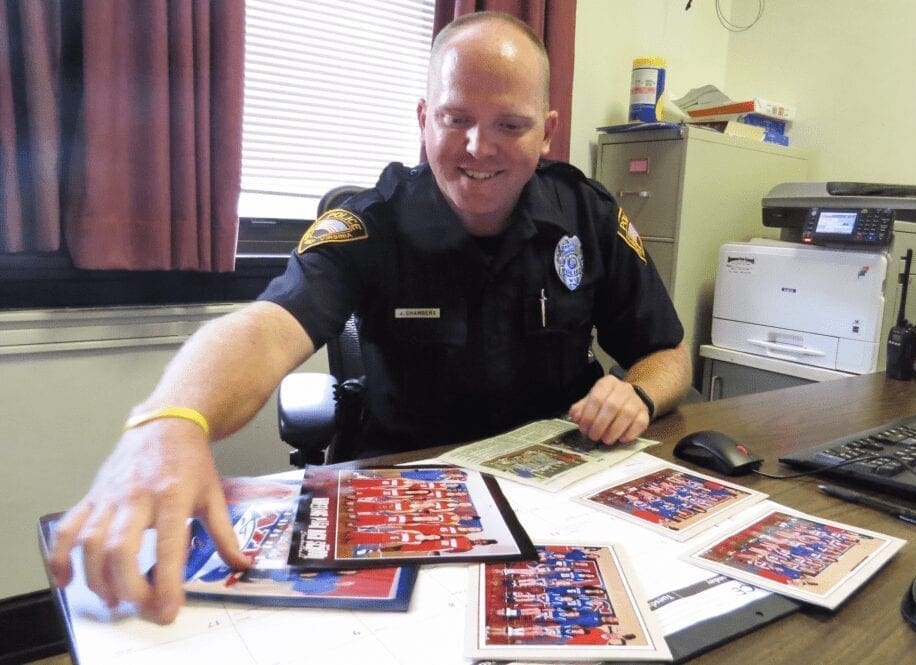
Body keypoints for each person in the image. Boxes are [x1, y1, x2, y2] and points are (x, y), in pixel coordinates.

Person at [47, 10, 691, 624]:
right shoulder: (370, 222)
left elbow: (669, 353)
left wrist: (636, 392)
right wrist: (171, 419)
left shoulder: (587, 215)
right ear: (423, 119)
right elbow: (270, 326)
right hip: (402, 499)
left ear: (547, 131)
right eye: (455, 118)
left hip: (554, 493)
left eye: (510, 126)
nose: (477, 147)